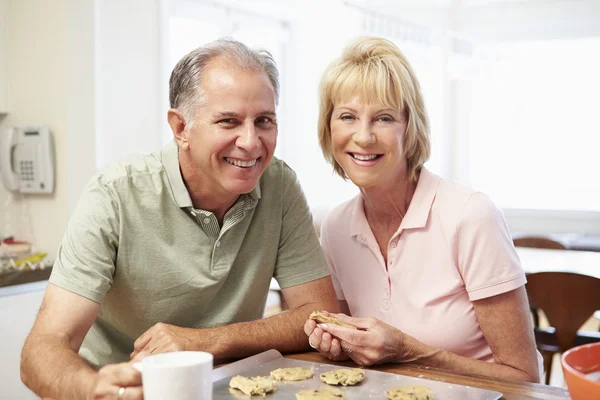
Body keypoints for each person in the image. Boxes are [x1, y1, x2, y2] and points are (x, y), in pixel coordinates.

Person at [21, 38, 338, 399]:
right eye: (228, 121)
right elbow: (42, 349)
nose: (251, 142)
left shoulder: (279, 185)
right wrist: (92, 388)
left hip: (230, 389)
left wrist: (204, 341)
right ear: (180, 128)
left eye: (264, 121)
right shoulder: (114, 195)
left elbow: (320, 314)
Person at [304, 36, 541, 383]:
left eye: (384, 118)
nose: (364, 136)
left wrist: (407, 349)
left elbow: (524, 377)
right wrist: (336, 342)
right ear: (329, 129)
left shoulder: (470, 215)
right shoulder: (336, 227)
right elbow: (357, 353)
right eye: (347, 117)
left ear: (410, 128)